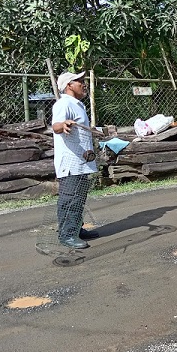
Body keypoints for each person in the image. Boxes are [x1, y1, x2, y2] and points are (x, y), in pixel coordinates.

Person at [52, 71, 99, 249]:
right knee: (70, 198)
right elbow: (56, 125)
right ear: (69, 85)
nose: (83, 83)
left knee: (78, 197)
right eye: (79, 81)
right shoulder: (63, 103)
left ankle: (76, 228)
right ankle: (67, 235)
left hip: (81, 161)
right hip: (71, 162)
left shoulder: (78, 104)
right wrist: (62, 125)